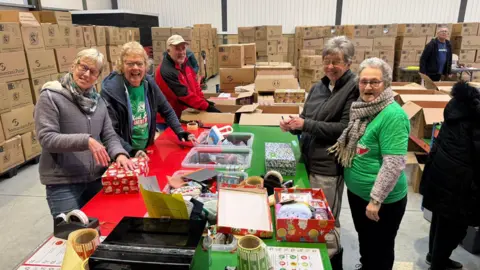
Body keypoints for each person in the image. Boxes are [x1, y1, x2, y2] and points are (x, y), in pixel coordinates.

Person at [279, 36, 359, 267]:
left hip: (328, 166)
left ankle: (332, 261)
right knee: (310, 216)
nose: (330, 67)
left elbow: (344, 129)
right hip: (308, 159)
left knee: (326, 221)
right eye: (327, 61)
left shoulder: (353, 89)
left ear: (349, 63)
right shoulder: (319, 86)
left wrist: (305, 125)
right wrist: (294, 124)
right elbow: (307, 118)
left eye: (336, 62)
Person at [329, 57, 409, 270]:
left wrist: (376, 199)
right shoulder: (363, 109)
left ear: (386, 84)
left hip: (382, 202)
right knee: (366, 242)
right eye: (363, 82)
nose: (368, 87)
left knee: (380, 250)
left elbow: (393, 163)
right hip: (358, 195)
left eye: (375, 82)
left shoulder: (393, 115)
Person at [35, 48, 134, 217]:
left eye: (93, 71)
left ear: (97, 77)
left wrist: (119, 154)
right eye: (83, 67)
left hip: (96, 179)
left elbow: (109, 135)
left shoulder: (98, 101)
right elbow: (46, 138)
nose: (86, 74)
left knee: (101, 228)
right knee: (72, 233)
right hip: (63, 183)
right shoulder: (51, 97)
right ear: (74, 66)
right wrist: (86, 140)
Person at [420, 82, 480, 270]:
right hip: (460, 180)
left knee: (440, 218)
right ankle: (438, 264)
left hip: (441, 171)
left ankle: (434, 256)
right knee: (454, 226)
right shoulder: (476, 116)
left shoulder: (457, 106)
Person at [101, 41, 194, 158]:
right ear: (121, 66)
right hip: (124, 153)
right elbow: (110, 132)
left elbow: (166, 109)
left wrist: (180, 131)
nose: (135, 68)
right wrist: (131, 151)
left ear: (145, 66)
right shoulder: (111, 91)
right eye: (130, 63)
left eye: (139, 64)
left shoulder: (149, 83)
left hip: (147, 149)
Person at [155, 34, 220, 131]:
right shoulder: (166, 71)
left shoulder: (185, 62)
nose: (181, 52)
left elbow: (195, 85)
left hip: (185, 114)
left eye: (183, 48)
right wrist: (207, 107)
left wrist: (203, 101)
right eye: (177, 49)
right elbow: (184, 96)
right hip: (168, 120)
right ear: (168, 51)